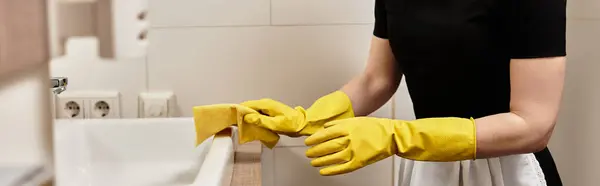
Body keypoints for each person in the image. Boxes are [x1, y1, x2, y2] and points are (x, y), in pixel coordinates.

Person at [239, 0, 566, 185]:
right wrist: (309, 118)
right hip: (430, 167)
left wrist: (398, 136)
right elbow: (376, 80)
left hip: (508, 173)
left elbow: (534, 124)